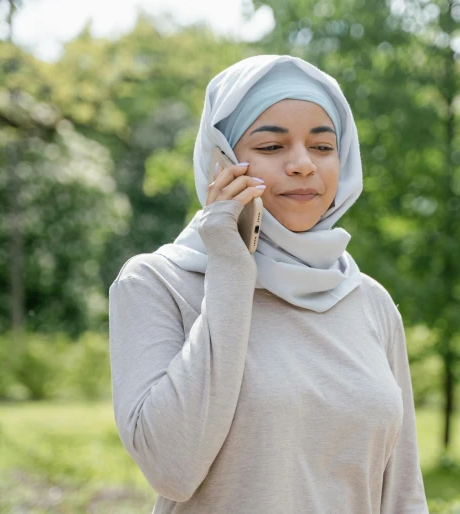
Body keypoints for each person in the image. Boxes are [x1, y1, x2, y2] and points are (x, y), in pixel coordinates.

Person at [108, 54, 429, 514]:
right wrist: (230, 267)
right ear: (221, 160)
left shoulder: (369, 300)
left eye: (322, 147)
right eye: (273, 147)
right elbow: (171, 469)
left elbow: (402, 494)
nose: (302, 165)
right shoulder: (157, 282)